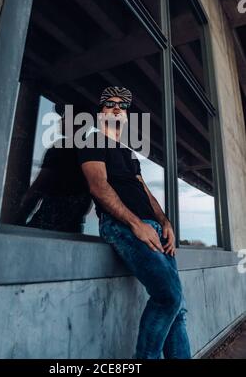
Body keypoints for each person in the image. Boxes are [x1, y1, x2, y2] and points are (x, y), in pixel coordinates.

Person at [77, 86, 191, 359]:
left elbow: (145, 191)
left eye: (122, 105)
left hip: (153, 229)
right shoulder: (92, 140)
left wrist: (165, 222)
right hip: (124, 226)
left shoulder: (127, 154)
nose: (117, 108)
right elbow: (98, 186)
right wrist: (136, 224)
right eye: (110, 104)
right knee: (169, 298)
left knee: (178, 309)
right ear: (101, 112)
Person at [15, 104, 92, 232]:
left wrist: (17, 220)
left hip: (49, 223)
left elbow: (38, 188)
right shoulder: (92, 153)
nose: (60, 121)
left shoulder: (61, 148)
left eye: (64, 117)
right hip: (73, 228)